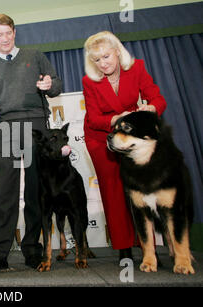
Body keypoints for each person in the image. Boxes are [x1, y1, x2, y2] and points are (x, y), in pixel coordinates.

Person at [0, 14, 62, 272]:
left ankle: (33, 250)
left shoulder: (35, 57)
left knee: (36, 191)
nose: (4, 38)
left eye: (7, 33)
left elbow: (56, 84)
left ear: (14, 32)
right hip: (6, 128)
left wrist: (49, 85)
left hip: (37, 125)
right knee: (5, 194)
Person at [82, 31, 167, 260]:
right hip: (101, 137)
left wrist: (150, 109)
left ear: (118, 52)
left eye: (106, 56)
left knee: (138, 189)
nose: (103, 63)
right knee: (113, 190)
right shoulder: (89, 80)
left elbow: (158, 99)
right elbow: (94, 118)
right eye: (97, 60)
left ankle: (146, 245)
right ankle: (124, 248)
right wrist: (120, 119)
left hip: (131, 135)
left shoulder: (137, 67)